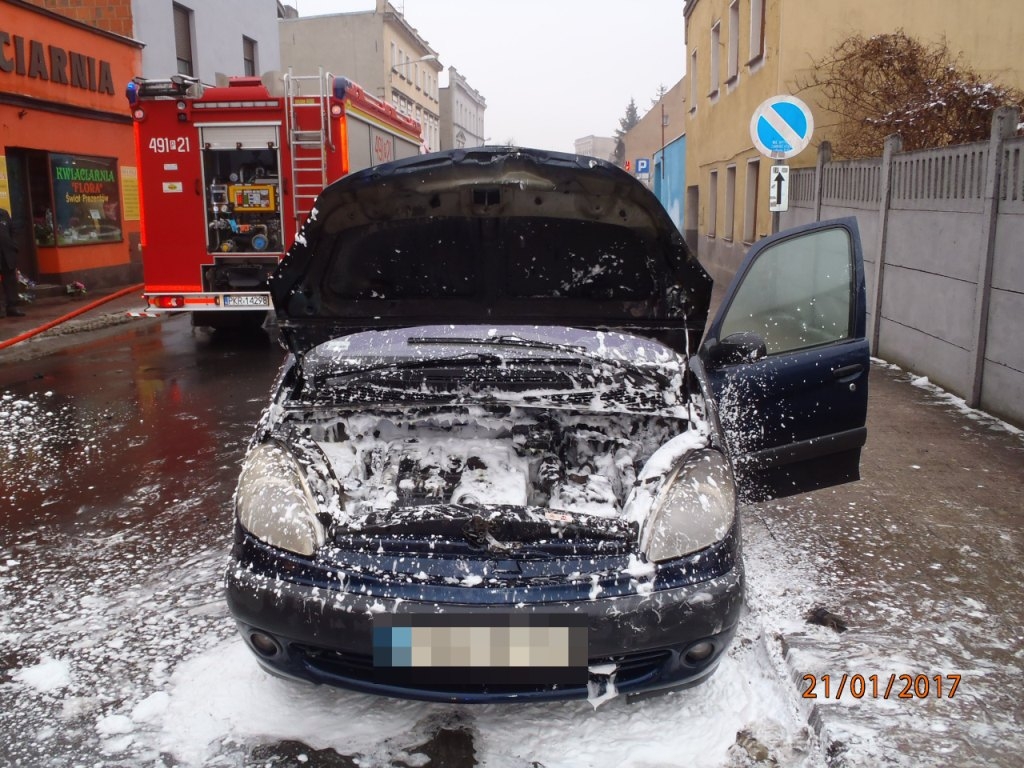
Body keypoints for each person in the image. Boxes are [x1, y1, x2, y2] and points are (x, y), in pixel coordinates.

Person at [0, 206, 25, 317]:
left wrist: (14, 246)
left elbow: (12, 231)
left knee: (10, 281)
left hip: (7, 254)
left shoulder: (4, 214)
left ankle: (12, 307)